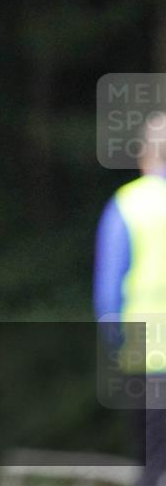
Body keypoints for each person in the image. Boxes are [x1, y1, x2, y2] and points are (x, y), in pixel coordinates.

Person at [95, 112, 166, 486]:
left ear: (145, 154)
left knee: (152, 466)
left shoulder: (128, 204)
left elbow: (108, 294)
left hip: (145, 358)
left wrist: (116, 344)